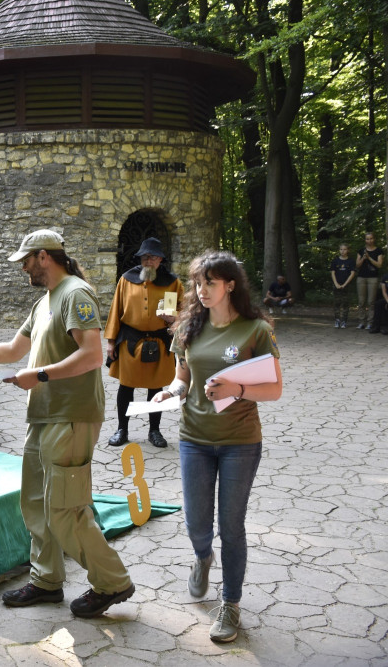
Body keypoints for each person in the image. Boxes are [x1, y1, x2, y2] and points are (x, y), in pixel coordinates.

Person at [0, 229, 134, 619]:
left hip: (71, 415)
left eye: (26, 260)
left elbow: (93, 355)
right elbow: (12, 350)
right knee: (36, 503)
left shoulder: (75, 294)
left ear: (44, 257)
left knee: (66, 509)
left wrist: (39, 376)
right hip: (43, 415)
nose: (22, 268)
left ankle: (112, 581)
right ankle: (45, 581)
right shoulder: (44, 303)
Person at [151, 250, 283, 643]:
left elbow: (274, 388)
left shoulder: (256, 330)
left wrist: (237, 389)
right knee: (195, 522)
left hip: (240, 442)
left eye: (210, 282)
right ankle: (202, 556)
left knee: (232, 526)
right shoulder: (188, 327)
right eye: (197, 283)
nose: (201, 290)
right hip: (193, 439)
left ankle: (231, 604)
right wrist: (167, 392)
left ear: (230, 285)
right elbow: (182, 379)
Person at [103, 237, 183, 448]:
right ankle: (122, 429)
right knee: (126, 387)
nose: (149, 261)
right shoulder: (126, 279)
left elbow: (180, 313)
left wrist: (172, 318)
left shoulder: (172, 282)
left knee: (156, 389)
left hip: (160, 341)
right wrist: (111, 341)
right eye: (145, 257)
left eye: (153, 257)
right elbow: (115, 311)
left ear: (160, 260)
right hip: (130, 341)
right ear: (140, 258)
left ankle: (154, 431)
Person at [355, 232, 384, 329]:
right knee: (361, 301)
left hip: (373, 278)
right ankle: (361, 321)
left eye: (371, 238)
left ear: (374, 239)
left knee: (371, 301)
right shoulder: (361, 250)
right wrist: (363, 258)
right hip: (361, 278)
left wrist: (369, 258)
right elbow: (357, 265)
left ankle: (370, 322)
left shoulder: (379, 251)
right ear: (365, 240)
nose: (369, 240)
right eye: (367, 239)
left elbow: (379, 265)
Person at [330, 243, 356, 328]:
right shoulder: (335, 260)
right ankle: (337, 320)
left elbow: (352, 273)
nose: (343, 251)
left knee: (345, 303)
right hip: (337, 285)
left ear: (348, 250)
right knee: (337, 303)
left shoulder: (351, 261)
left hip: (347, 285)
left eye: (344, 249)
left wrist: (345, 284)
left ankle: (344, 321)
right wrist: (336, 284)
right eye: (341, 249)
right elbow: (333, 273)